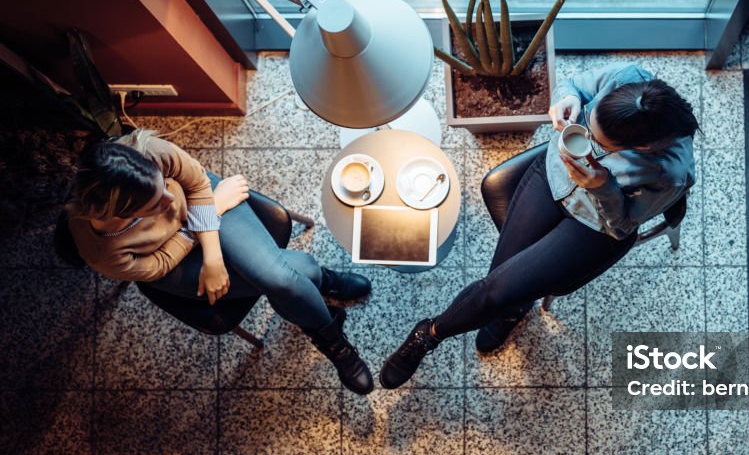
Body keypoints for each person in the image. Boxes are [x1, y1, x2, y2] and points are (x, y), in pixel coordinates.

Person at [378, 62, 698, 388]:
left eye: (601, 145)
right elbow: (575, 84)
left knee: (497, 291)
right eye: (588, 122)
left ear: (640, 148)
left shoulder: (669, 173)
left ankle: (429, 333)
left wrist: (601, 186)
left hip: (594, 224)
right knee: (499, 286)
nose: (587, 137)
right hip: (552, 175)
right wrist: (567, 98)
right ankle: (511, 313)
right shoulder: (628, 79)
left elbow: (622, 226)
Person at [67, 129, 375, 394]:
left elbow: (197, 185)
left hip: (207, 205)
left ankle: (327, 319)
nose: (171, 202)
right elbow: (159, 265)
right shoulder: (102, 252)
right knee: (292, 276)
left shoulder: (145, 151)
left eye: (165, 187)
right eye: (155, 205)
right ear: (122, 215)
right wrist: (207, 217)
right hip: (174, 260)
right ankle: (326, 301)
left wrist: (212, 254)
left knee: (280, 279)